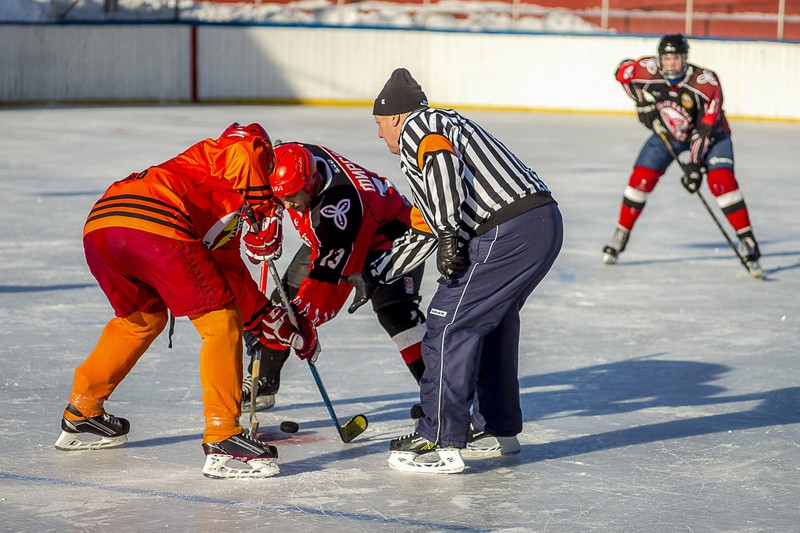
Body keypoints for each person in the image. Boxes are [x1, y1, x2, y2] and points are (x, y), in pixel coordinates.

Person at [54, 123, 319, 480]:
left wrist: (268, 319)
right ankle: (224, 435)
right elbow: (246, 148)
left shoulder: (214, 195)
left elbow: (228, 273)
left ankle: (83, 411)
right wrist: (264, 207)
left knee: (142, 320)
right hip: (156, 221)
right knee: (221, 323)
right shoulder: (241, 152)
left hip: (103, 224)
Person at [368, 68, 563, 474]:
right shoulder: (444, 126)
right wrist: (383, 272)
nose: (380, 134)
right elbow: (429, 224)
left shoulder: (421, 127)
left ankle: (440, 438)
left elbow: (441, 169)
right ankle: (498, 431)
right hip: (538, 222)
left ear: (397, 117)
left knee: (447, 325)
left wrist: (448, 237)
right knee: (489, 323)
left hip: (505, 229)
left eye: (380, 124)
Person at [240, 142, 427, 412]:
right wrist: (265, 219)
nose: (287, 204)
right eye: (282, 197)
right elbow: (265, 180)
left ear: (311, 182)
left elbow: (327, 286)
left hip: (390, 233)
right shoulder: (296, 158)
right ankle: (263, 384)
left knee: (397, 315)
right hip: (329, 238)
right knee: (282, 305)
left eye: (292, 196)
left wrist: (299, 325)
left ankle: (441, 395)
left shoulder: (340, 211)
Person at [603, 33, 763, 278]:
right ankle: (621, 232)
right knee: (640, 180)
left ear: (685, 59)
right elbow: (622, 73)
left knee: (721, 183)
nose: (671, 64)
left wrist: (695, 166)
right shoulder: (649, 70)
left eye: (676, 59)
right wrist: (641, 103)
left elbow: (705, 129)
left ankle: (746, 239)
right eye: (666, 59)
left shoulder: (705, 83)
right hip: (670, 133)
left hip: (712, 135)